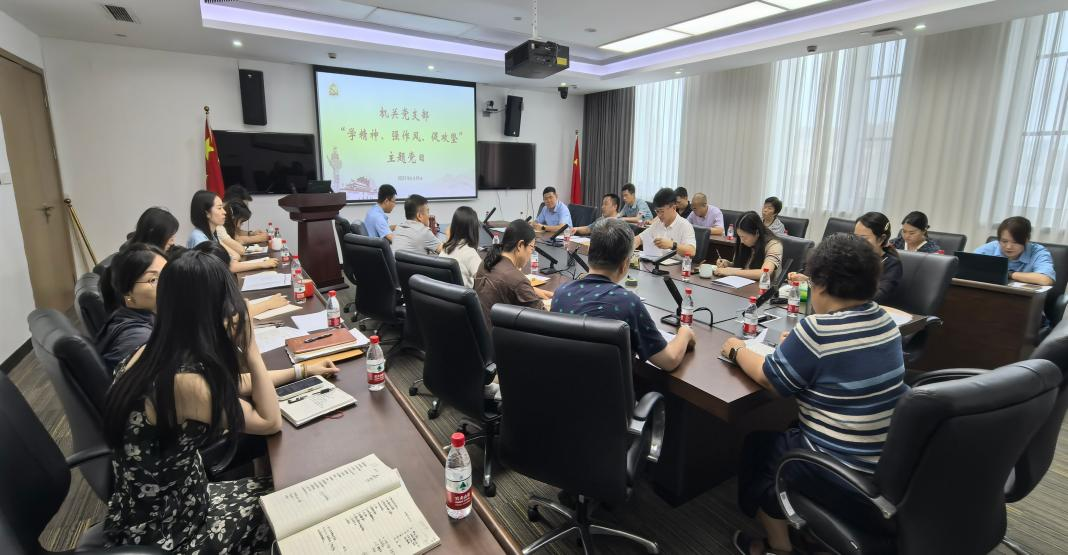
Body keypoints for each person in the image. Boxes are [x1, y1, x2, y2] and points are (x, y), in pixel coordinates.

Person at [102, 249, 339, 553]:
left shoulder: (151, 351)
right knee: (305, 500)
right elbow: (269, 421)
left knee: (294, 485)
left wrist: (301, 370)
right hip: (175, 531)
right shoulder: (183, 384)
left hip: (152, 510)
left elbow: (229, 385)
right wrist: (250, 350)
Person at [721, 233, 907, 555]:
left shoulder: (818, 329)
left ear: (820, 285)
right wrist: (798, 346)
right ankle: (804, 529)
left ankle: (778, 546)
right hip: (884, 465)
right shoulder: (885, 320)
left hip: (841, 473)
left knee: (757, 448)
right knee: (787, 429)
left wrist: (737, 350)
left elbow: (769, 378)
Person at [552, 219, 695, 371]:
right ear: (625, 264)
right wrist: (685, 332)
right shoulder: (628, 303)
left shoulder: (561, 294)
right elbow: (669, 360)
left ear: (589, 254)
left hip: (562, 384)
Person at [789, 212, 902, 304]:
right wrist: (809, 281)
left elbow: (878, 297)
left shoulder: (892, 264)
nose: (858, 242)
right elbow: (832, 281)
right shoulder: (852, 256)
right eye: (855, 237)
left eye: (864, 238)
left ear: (881, 239)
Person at [96, 244, 166, 372]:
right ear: (127, 292)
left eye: (168, 274)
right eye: (154, 279)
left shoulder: (126, 314)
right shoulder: (139, 339)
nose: (168, 283)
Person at [474, 219, 552, 328]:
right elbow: (543, 319)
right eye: (531, 248)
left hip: (483, 329)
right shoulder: (516, 279)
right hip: (500, 336)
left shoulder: (486, 262)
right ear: (520, 245)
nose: (531, 254)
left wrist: (535, 291)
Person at [187, 190, 277, 273]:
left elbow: (230, 261)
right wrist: (262, 264)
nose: (224, 212)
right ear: (207, 213)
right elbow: (230, 267)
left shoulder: (211, 234)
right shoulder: (199, 238)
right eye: (219, 208)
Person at [975, 216, 1056, 286]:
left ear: (1026, 240)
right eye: (1004, 241)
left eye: (1015, 242)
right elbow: (969, 266)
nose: (1008, 247)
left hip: (1023, 297)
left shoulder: (1038, 252)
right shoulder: (992, 247)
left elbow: (1046, 280)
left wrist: (1008, 274)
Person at [715, 211, 783, 281]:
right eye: (740, 236)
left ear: (757, 232)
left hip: (765, 285)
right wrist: (729, 264)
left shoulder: (774, 245)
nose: (741, 241)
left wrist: (732, 272)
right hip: (744, 283)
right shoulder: (746, 243)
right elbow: (745, 267)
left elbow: (765, 272)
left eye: (744, 237)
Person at [633, 188, 697, 259]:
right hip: (657, 263)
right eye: (657, 211)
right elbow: (639, 238)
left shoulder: (685, 225)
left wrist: (672, 245)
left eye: (662, 211)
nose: (659, 215)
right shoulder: (657, 224)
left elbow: (692, 251)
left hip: (677, 265)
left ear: (674, 208)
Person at [441, 206, 482, 288]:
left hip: (445, 294)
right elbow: (484, 280)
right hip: (464, 295)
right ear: (474, 230)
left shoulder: (444, 250)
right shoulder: (470, 253)